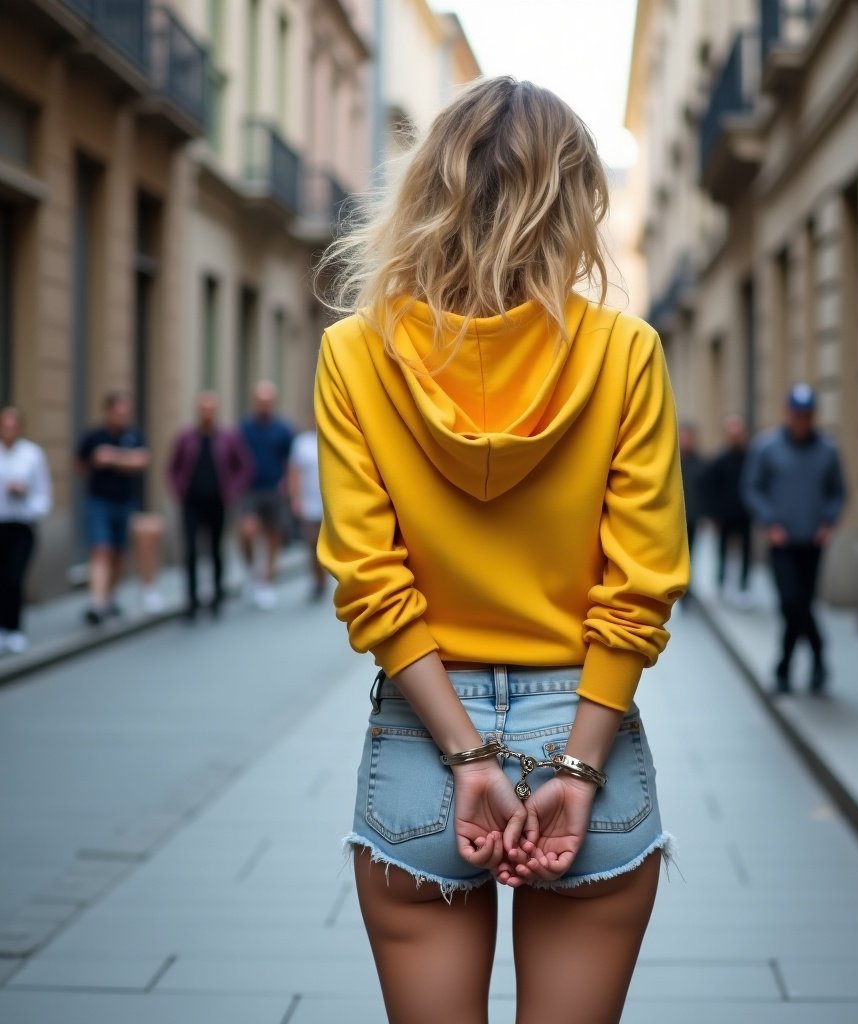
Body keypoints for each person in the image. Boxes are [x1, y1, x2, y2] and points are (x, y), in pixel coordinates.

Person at [314, 77, 689, 1023]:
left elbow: (369, 579)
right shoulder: (625, 353)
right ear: (573, 202)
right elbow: (641, 584)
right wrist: (574, 769)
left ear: (428, 191)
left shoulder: (356, 354)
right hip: (585, 728)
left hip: (423, 736)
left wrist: (469, 753)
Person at [742, 383, 846, 695]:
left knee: (804, 603)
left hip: (812, 542)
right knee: (791, 603)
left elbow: (838, 492)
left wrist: (828, 522)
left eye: (807, 414)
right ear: (788, 413)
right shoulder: (767, 447)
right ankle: (813, 657)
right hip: (781, 542)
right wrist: (770, 521)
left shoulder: (827, 449)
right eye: (797, 413)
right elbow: (753, 488)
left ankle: (788, 668)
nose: (802, 419)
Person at [168, 392, 252, 620]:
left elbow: (244, 467)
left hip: (218, 502)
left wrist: (232, 491)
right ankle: (192, 601)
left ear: (216, 412)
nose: (207, 412)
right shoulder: (186, 438)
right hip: (191, 503)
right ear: (198, 411)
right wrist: (178, 490)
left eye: (210, 408)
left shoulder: (228, 438)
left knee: (215, 550)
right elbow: (173, 467)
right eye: (203, 408)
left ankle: (217, 598)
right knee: (191, 551)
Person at [76, 392, 151, 624]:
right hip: (99, 501)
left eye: (126, 412)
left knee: (119, 553)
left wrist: (112, 458)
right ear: (108, 411)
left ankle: (109, 598)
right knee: (101, 549)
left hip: (125, 502)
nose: (122, 416)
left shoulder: (134, 434)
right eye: (118, 411)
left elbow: (142, 461)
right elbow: (80, 462)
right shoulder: (94, 435)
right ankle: (97, 603)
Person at [0, 407, 52, 654]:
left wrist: (26, 498)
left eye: (12, 425)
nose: (8, 430)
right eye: (4, 425)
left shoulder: (32, 455)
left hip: (21, 527)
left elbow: (44, 495)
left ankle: (15, 628)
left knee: (14, 577)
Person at [238, 381, 294, 610]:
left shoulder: (283, 429)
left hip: (274, 489)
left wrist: (288, 484)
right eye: (260, 401)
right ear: (254, 402)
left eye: (267, 401)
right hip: (250, 489)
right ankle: (253, 571)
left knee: (273, 536)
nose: (264, 404)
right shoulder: (244, 428)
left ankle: (266, 583)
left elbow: (291, 461)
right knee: (247, 532)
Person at [705, 414, 752, 606]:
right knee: (722, 549)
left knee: (746, 551)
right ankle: (721, 582)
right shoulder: (720, 460)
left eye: (738, 434)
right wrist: (713, 513)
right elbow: (712, 487)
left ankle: (743, 587)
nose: (735, 437)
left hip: (744, 512)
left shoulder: (750, 458)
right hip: (724, 514)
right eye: (732, 434)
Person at [287, 419, 325, 602]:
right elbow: (294, 472)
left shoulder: (332, 438)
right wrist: (296, 499)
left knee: (326, 546)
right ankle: (318, 579)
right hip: (309, 503)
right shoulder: (302, 443)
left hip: (330, 505)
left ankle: (323, 577)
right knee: (312, 543)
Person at [678, 421, 706, 559]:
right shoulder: (671, 461)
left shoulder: (700, 464)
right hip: (673, 515)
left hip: (692, 515)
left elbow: (704, 491)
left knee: (690, 550)